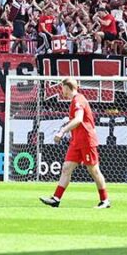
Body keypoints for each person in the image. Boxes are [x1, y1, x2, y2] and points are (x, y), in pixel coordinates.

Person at [39, 79, 110, 209]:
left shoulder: (78, 100)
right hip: (76, 141)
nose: (61, 91)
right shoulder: (75, 100)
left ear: (67, 87)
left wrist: (62, 131)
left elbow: (78, 119)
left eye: (62, 88)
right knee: (66, 168)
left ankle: (105, 200)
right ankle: (56, 198)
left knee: (93, 170)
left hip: (86, 141)